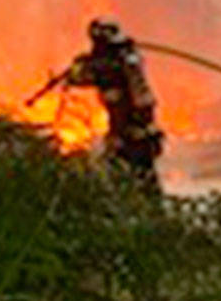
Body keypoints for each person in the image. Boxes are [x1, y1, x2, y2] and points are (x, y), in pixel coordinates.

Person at [66, 19, 164, 188]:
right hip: (136, 132)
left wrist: (80, 65)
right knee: (140, 179)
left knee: (128, 178)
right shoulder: (128, 58)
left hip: (130, 134)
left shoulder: (112, 65)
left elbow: (77, 78)